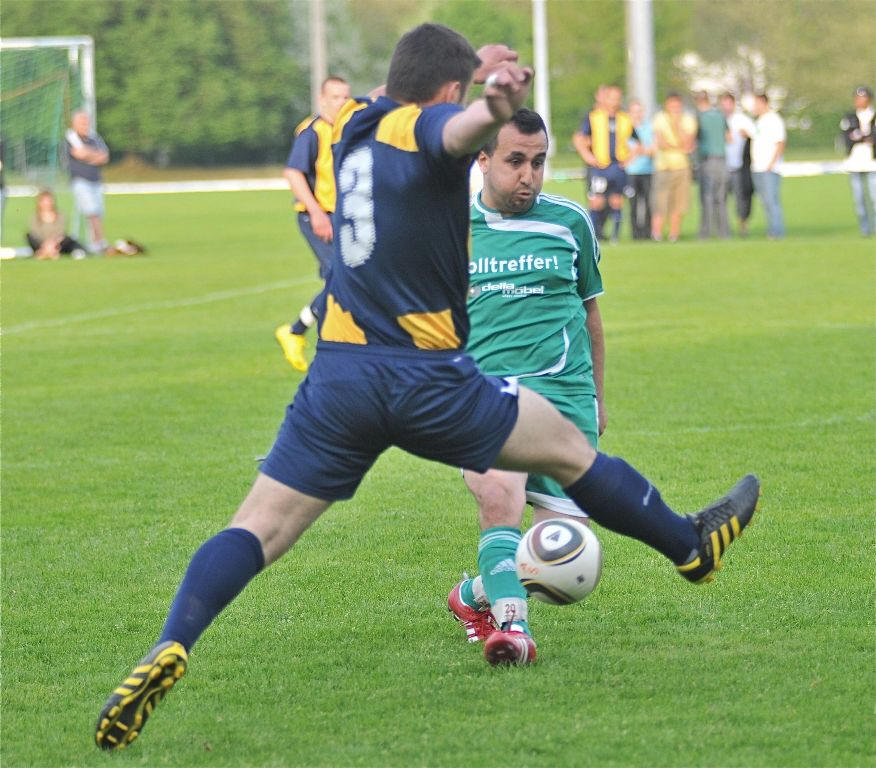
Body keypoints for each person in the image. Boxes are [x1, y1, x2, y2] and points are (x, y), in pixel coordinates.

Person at [95, 24, 759, 751]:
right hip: (425, 378)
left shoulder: (355, 126)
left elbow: (413, 94)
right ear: (448, 92)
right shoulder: (433, 129)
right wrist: (494, 101)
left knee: (256, 528)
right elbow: (457, 128)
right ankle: (690, 547)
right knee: (571, 453)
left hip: (339, 376)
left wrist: (474, 75)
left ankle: (172, 641)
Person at [447, 109, 605, 661]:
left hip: (563, 395)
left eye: (538, 162)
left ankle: (473, 594)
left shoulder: (570, 223)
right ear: (482, 160)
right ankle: (513, 630)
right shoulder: (452, 229)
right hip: (485, 395)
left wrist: (598, 398)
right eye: (515, 161)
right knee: (499, 495)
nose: (528, 176)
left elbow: (591, 314)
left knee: (564, 552)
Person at [276, 76, 352, 372]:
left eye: (345, 97)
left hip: (342, 218)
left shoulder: (348, 129)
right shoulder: (312, 131)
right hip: (318, 217)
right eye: (335, 97)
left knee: (347, 280)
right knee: (342, 279)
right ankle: (300, 334)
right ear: (322, 100)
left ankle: (301, 332)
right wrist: (317, 213)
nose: (341, 103)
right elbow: (293, 173)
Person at [573, 84, 636, 243]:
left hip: (617, 167)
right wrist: (588, 156)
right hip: (600, 167)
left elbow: (638, 142)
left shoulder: (625, 118)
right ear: (604, 99)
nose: (614, 101)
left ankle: (615, 236)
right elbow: (580, 138)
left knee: (617, 200)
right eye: (611, 98)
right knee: (597, 201)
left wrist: (629, 159)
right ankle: (594, 235)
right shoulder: (594, 117)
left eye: (617, 98)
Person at [651, 92, 697, 242]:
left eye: (677, 106)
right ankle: (656, 234)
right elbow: (662, 143)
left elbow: (688, 144)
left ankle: (674, 234)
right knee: (660, 203)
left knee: (678, 204)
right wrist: (679, 146)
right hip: (663, 167)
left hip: (682, 167)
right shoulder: (660, 118)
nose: (675, 109)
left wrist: (677, 126)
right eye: (672, 106)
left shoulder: (688, 120)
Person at [65, 110, 109, 253]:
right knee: (92, 211)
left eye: (86, 122)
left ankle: (95, 243)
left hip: (96, 180)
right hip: (80, 181)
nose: (85, 125)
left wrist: (88, 155)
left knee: (98, 212)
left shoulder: (95, 138)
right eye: (82, 123)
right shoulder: (71, 137)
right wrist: (93, 156)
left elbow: (104, 157)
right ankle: (100, 242)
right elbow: (79, 153)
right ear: (74, 124)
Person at [840, 85, 876, 236]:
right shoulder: (849, 117)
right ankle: (865, 229)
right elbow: (846, 137)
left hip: (872, 163)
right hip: (855, 162)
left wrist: (862, 136)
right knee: (859, 199)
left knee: (874, 197)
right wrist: (863, 137)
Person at [750, 93, 786, 239]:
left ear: (764, 103)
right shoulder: (758, 121)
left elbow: (780, 142)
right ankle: (771, 229)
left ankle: (777, 231)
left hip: (769, 168)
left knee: (772, 200)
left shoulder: (774, 119)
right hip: (757, 167)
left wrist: (772, 163)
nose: (754, 107)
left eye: (756, 104)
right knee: (765, 201)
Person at [720, 92, 756, 237]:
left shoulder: (742, 120)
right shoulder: (719, 119)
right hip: (723, 165)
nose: (726, 107)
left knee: (741, 198)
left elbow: (755, 135)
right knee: (721, 199)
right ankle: (724, 228)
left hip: (739, 166)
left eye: (729, 104)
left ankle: (743, 226)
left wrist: (746, 134)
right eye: (724, 104)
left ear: (733, 104)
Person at [694, 91, 729, 238]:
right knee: (721, 199)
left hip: (707, 160)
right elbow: (728, 136)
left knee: (707, 197)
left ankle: (705, 233)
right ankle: (724, 233)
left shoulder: (699, 117)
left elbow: (695, 138)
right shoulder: (720, 115)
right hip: (722, 159)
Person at [26, 189, 87, 260]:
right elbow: (35, 233)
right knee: (29, 236)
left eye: (49, 200)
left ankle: (44, 253)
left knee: (68, 238)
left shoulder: (61, 215)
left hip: (57, 243)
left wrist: (52, 243)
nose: (47, 203)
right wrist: (46, 244)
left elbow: (61, 232)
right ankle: (48, 252)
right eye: (44, 201)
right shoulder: (34, 217)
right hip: (41, 243)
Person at [625, 99, 654, 240]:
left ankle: (647, 232)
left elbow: (652, 150)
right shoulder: (625, 128)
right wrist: (640, 150)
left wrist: (638, 150)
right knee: (633, 204)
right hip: (631, 172)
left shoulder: (649, 127)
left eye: (640, 111)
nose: (638, 114)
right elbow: (626, 151)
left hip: (648, 171)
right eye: (634, 112)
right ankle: (635, 234)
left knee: (648, 203)